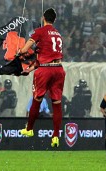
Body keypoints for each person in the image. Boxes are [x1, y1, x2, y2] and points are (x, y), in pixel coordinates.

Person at [19, 8, 65, 147]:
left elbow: (25, 49)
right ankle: (56, 136)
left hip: (45, 71)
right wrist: (30, 68)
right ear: (54, 20)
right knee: (56, 103)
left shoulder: (40, 31)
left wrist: (19, 52)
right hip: (59, 69)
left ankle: (29, 129)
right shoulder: (58, 34)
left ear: (43, 18)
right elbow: (46, 56)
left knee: (37, 99)